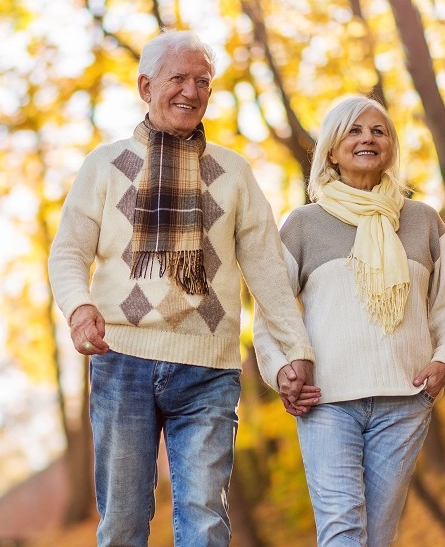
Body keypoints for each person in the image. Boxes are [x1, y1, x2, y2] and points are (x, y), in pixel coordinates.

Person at [47, 30, 318, 547]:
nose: (191, 92)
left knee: (204, 522)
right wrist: (80, 309)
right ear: (146, 85)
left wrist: (295, 350)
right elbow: (68, 253)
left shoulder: (234, 174)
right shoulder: (105, 166)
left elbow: (266, 272)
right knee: (123, 523)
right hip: (121, 358)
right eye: (179, 79)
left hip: (209, 368)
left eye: (203, 82)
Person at [256, 95, 445, 546]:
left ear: (390, 147)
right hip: (327, 401)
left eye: (379, 131)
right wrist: (281, 371)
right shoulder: (303, 225)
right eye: (354, 130)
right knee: (342, 530)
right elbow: (271, 310)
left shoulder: (423, 221)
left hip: (404, 400)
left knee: (377, 536)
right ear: (331, 150)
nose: (368, 139)